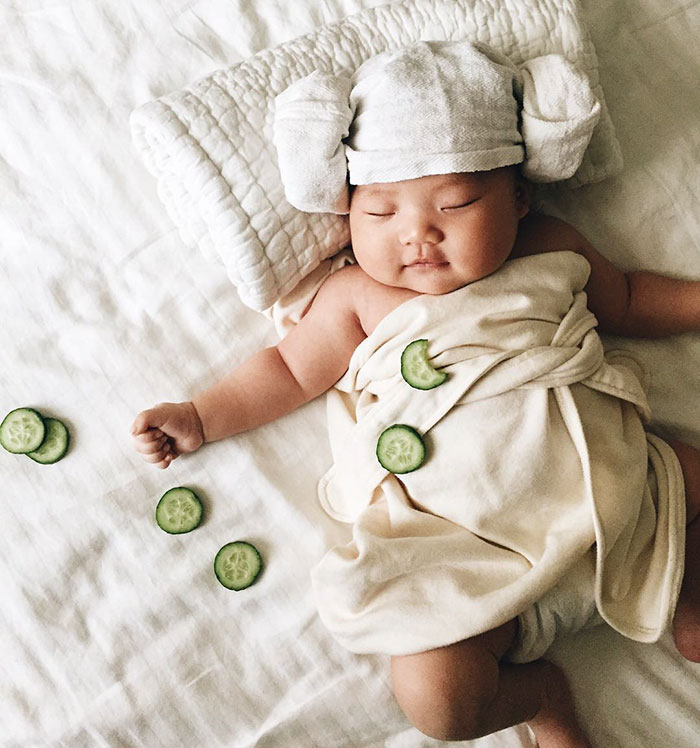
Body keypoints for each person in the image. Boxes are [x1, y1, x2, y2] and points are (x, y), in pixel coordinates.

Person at [132, 41, 700, 747]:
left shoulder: (549, 248)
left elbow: (632, 299)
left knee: (690, 473)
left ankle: (686, 575)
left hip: (616, 494)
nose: (419, 233)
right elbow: (286, 371)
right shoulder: (356, 297)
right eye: (380, 213)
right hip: (465, 560)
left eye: (456, 203)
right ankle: (540, 698)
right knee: (437, 700)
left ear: (519, 199)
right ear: (348, 216)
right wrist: (199, 417)